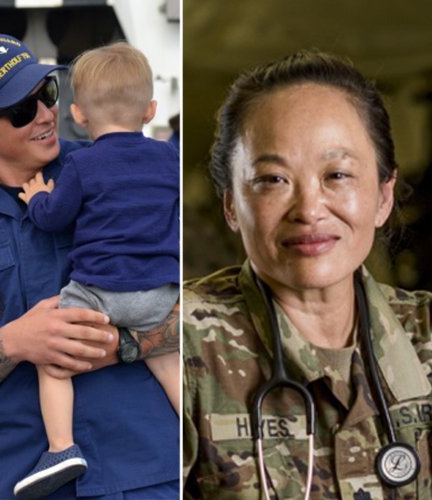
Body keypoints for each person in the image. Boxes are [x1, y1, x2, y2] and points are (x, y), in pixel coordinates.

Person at [0, 33, 179, 499]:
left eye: (47, 92)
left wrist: (120, 344)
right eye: (22, 109)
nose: (47, 114)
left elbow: (202, 307)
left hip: (145, 474)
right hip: (5, 481)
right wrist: (16, 342)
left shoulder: (120, 171)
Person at [182, 50, 432, 498]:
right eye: (273, 179)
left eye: (337, 174)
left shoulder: (425, 335)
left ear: (382, 196)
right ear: (230, 206)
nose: (309, 210)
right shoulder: (183, 344)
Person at [16, 42, 180, 498]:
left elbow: (55, 217)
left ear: (79, 116)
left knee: (54, 364)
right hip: (158, 293)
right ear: (150, 110)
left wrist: (36, 200)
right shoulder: (170, 159)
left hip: (98, 294)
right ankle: (195, 430)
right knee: (167, 361)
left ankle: (62, 447)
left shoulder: (83, 165)